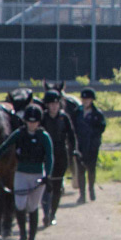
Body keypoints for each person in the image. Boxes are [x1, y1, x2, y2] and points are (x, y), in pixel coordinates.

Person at [0, 104, 53, 240]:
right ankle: (22, 235)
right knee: (20, 204)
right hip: (21, 173)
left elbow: (49, 157)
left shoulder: (44, 137)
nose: (31, 124)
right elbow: (5, 145)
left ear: (38, 122)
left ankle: (32, 239)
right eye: (29, 121)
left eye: (34, 122)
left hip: (37, 174)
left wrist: (47, 175)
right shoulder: (19, 134)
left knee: (33, 206)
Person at [37, 90, 77, 225]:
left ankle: (52, 212)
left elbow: (71, 135)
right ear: (47, 105)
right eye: (51, 104)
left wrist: (74, 150)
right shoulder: (43, 118)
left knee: (57, 185)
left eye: (56, 104)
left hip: (60, 155)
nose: (54, 106)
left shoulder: (64, 118)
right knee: (46, 185)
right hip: (45, 155)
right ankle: (45, 213)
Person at [74, 88, 107, 202]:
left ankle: (91, 189)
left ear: (92, 100)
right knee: (80, 170)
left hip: (92, 145)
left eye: (87, 99)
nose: (85, 101)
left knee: (91, 168)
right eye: (84, 99)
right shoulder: (77, 112)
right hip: (80, 144)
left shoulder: (97, 114)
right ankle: (82, 194)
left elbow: (101, 128)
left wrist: (93, 137)